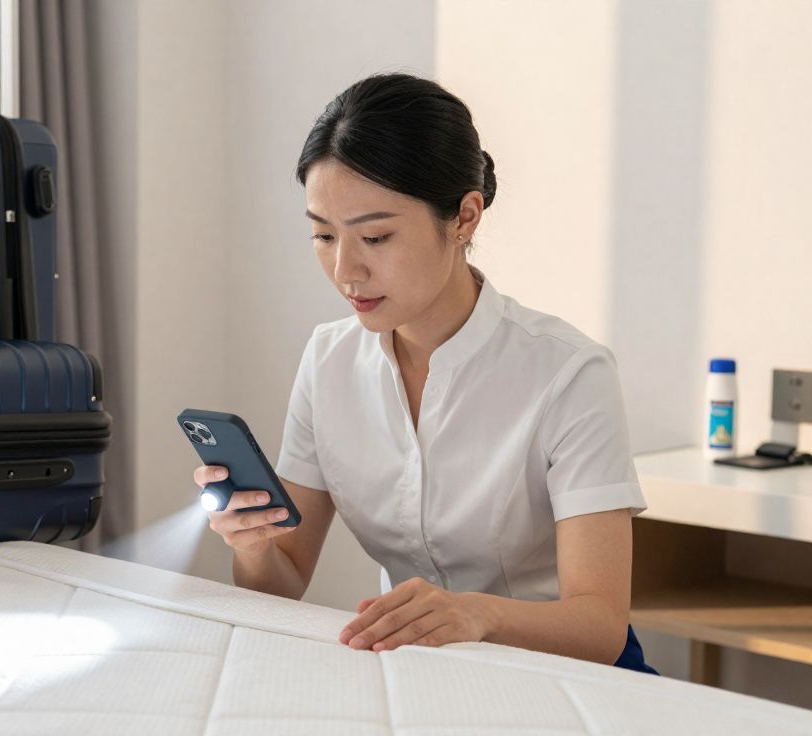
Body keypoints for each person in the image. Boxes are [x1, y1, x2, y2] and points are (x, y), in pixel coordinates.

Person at [192, 73, 656, 674]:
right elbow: (282, 583)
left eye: (375, 236)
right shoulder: (328, 360)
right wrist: (250, 542)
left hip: (566, 672)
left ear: (464, 218)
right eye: (323, 235)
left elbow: (599, 627)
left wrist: (477, 615)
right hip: (421, 669)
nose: (345, 269)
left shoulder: (568, 373)